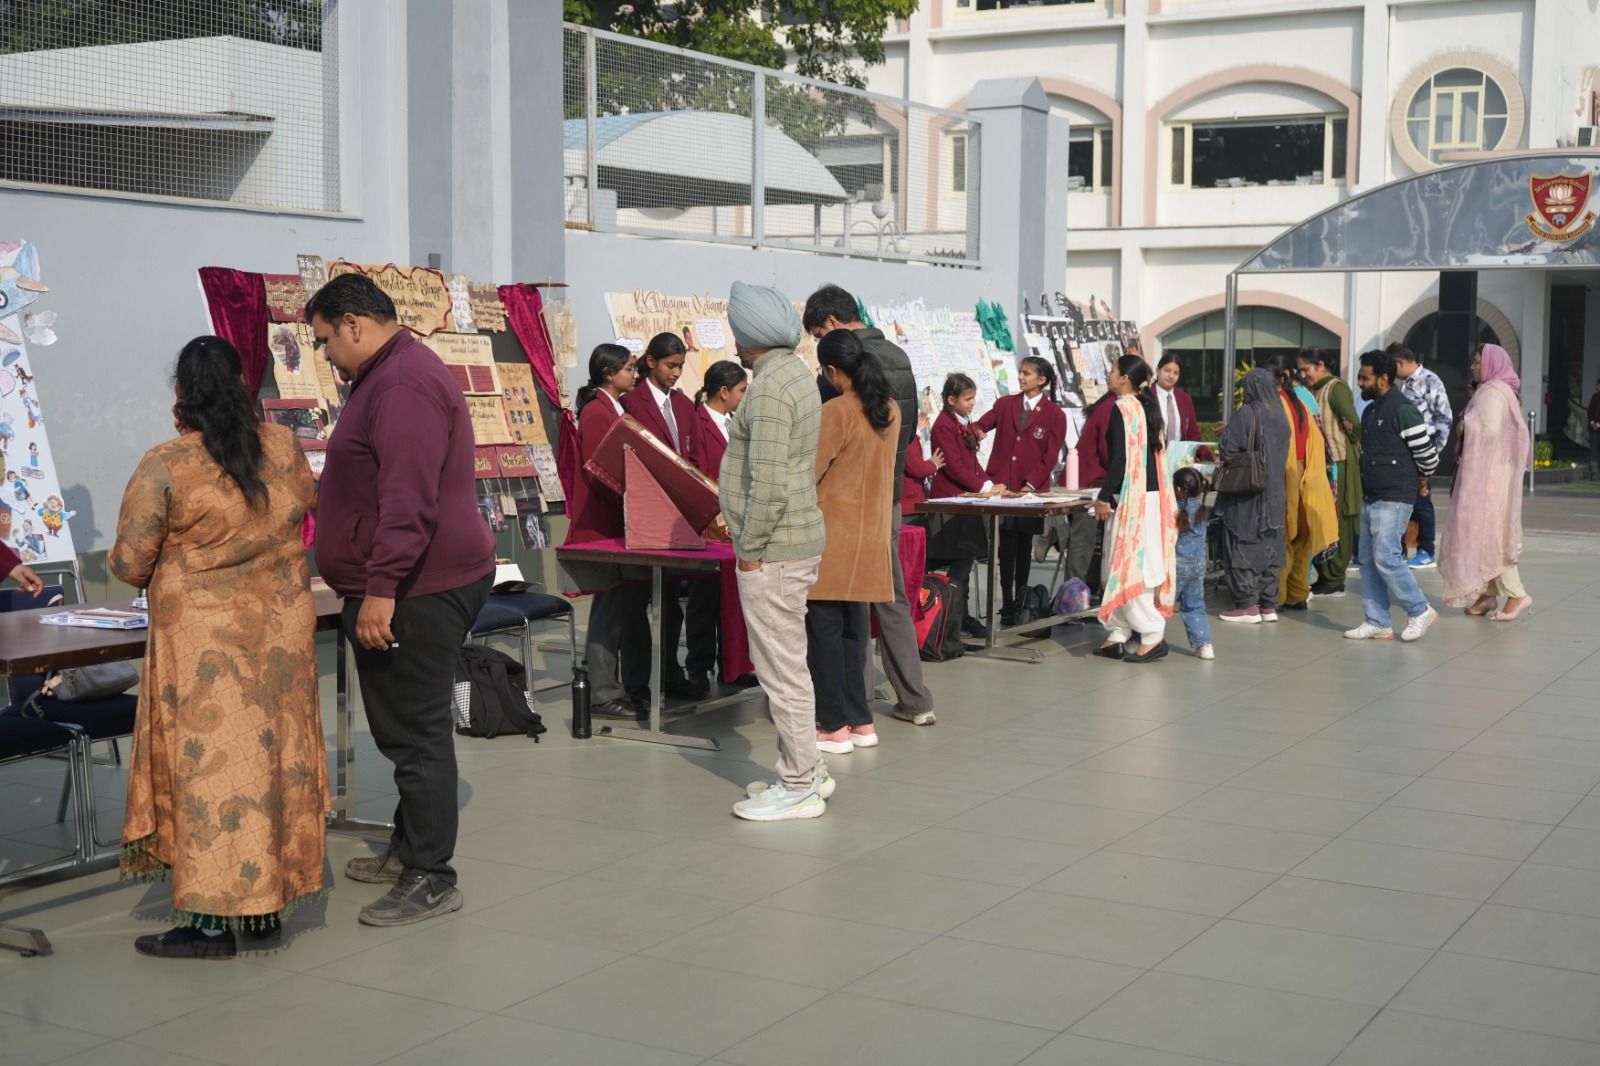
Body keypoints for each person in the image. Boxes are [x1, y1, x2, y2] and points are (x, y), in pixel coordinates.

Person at [108, 336, 326, 958]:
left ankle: (208, 928)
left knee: (211, 771)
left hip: (203, 648)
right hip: (281, 638)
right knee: (275, 762)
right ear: (241, 383)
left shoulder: (167, 463)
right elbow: (303, 508)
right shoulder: (282, 447)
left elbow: (129, 562)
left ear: (182, 392)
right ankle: (265, 908)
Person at [306, 274, 496, 926]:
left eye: (325, 340)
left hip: (419, 585)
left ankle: (432, 877)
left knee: (416, 735)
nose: (326, 354)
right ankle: (410, 847)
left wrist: (382, 588)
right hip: (414, 579)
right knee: (404, 728)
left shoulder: (402, 384)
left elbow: (408, 501)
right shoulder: (389, 374)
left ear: (353, 324)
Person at [802, 284, 936, 727]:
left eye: (818, 334)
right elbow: (906, 431)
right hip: (887, 496)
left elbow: (824, 445)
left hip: (842, 504)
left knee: (848, 607)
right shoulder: (899, 356)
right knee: (891, 597)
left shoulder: (838, 370)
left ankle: (853, 703)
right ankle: (915, 698)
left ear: (832, 324)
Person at [723, 282, 830, 822]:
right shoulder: (797, 373)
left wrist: (751, 550)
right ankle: (809, 767)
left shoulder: (766, 389)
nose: (734, 341)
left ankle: (800, 784)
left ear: (749, 335)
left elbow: (767, 483)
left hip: (773, 547)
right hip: (795, 539)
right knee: (791, 665)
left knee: (782, 672)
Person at [807, 330, 900, 754]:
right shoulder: (889, 408)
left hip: (832, 537)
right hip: (870, 537)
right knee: (854, 635)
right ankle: (861, 721)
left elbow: (809, 473)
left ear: (831, 370)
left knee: (824, 635)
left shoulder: (836, 411)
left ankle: (832, 726)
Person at [566, 343, 650, 720]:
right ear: (608, 373)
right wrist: (634, 497)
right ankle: (601, 694)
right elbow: (601, 471)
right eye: (629, 368)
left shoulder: (616, 408)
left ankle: (621, 687)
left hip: (621, 522)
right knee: (609, 610)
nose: (635, 374)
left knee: (624, 609)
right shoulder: (597, 412)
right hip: (604, 524)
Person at [621, 332, 707, 699]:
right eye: (671, 366)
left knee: (671, 603)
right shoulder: (629, 402)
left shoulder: (684, 405)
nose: (676, 373)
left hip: (676, 518)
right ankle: (637, 682)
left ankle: (670, 673)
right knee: (635, 604)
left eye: (681, 367)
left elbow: (694, 457)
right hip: (642, 513)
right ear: (651, 362)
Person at [1346, 349, 1441, 642]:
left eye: (1365, 378)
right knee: (1367, 560)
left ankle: (1419, 609)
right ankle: (1377, 621)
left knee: (1386, 556)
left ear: (1383, 379)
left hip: (1395, 497)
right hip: (1372, 494)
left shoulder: (1403, 411)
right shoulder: (1371, 411)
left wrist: (1422, 478)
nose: (1360, 383)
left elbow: (1428, 456)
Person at [1091, 355, 1176, 662]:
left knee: (1129, 565)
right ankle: (1117, 633)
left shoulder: (1122, 408)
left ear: (1124, 377)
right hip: (1150, 498)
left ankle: (1151, 633)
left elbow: (1120, 460)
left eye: (1113, 371)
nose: (1109, 375)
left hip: (1134, 499)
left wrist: (1105, 497)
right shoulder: (1145, 406)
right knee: (1136, 562)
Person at [1440, 343, 1533, 621]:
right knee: (1486, 532)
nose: (1473, 367)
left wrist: (1464, 426)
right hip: (1496, 474)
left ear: (1491, 364)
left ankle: (1516, 594)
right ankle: (1487, 594)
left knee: (1491, 534)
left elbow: (1489, 431)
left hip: (1490, 478)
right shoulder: (1500, 390)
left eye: (1478, 362)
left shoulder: (1492, 392)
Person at [975, 355, 1067, 626]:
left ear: (1041, 379)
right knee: (1005, 545)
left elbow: (1049, 457)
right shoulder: (1005, 404)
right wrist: (976, 431)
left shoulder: (1055, 415)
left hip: (1029, 491)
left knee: (1024, 544)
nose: (1021, 377)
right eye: (1021, 372)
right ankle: (1007, 602)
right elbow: (982, 424)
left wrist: (1030, 484)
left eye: (1027, 373)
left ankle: (1021, 598)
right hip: (1003, 487)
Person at [689, 359, 749, 688]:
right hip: (710, 520)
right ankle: (698, 666)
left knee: (732, 597)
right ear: (723, 391)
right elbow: (698, 471)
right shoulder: (698, 423)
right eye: (741, 390)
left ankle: (731, 665)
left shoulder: (734, 422)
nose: (744, 396)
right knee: (705, 599)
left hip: (735, 520)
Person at [1216, 369, 1291, 624]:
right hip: (1275, 494)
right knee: (1270, 545)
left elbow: (1227, 450)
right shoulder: (1281, 415)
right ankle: (1268, 605)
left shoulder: (1248, 413)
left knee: (1241, 542)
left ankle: (1247, 604)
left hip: (1248, 494)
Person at [928, 372, 995, 637]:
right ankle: (949, 619)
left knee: (965, 562)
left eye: (973, 398)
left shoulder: (963, 423)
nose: (972, 403)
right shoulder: (943, 426)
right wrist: (984, 487)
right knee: (957, 563)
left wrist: (990, 484)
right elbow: (954, 467)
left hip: (967, 500)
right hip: (950, 502)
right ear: (951, 399)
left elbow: (972, 464)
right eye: (967, 399)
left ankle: (960, 617)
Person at [1268, 356, 1337, 612]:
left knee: (1283, 538)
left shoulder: (1275, 405)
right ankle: (1297, 594)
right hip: (1310, 476)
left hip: (1287, 476)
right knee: (1301, 540)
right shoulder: (1301, 403)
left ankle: (1277, 597)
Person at [1298, 348, 1361, 597]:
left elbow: (1353, 423)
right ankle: (1325, 575)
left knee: (1338, 518)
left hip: (1339, 462)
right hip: (1322, 464)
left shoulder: (1336, 389)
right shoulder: (1314, 390)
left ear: (1321, 365)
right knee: (1321, 517)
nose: (1303, 374)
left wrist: (1350, 443)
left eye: (1306, 369)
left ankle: (1335, 578)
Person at [1388, 343, 1452, 569]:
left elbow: (1444, 418)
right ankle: (1402, 548)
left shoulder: (1430, 381)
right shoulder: (1405, 384)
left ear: (1400, 362)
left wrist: (1433, 452)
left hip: (1422, 451)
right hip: (1404, 452)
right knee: (1404, 501)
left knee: (1422, 501)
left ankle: (1426, 549)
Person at [1172, 466, 1214, 660]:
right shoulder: (1202, 510)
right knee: (1195, 605)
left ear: (1178, 489)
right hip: (1197, 565)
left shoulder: (1175, 510)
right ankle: (1204, 645)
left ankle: (1145, 638)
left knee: (1159, 604)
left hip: (1175, 566)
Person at [1154, 354, 1200, 443]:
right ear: (1158, 370)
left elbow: (1193, 434)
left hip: (1180, 451)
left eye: (1176, 373)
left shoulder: (1185, 399)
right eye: (1167, 371)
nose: (1171, 376)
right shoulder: (1146, 396)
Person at [1587, 377, 1600, 480]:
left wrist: (1598, 424)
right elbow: (1590, 411)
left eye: (1598, 384)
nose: (1596, 386)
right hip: (1593, 429)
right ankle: (1594, 473)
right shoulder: (1595, 396)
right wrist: (1592, 423)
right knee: (1593, 451)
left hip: (1598, 426)